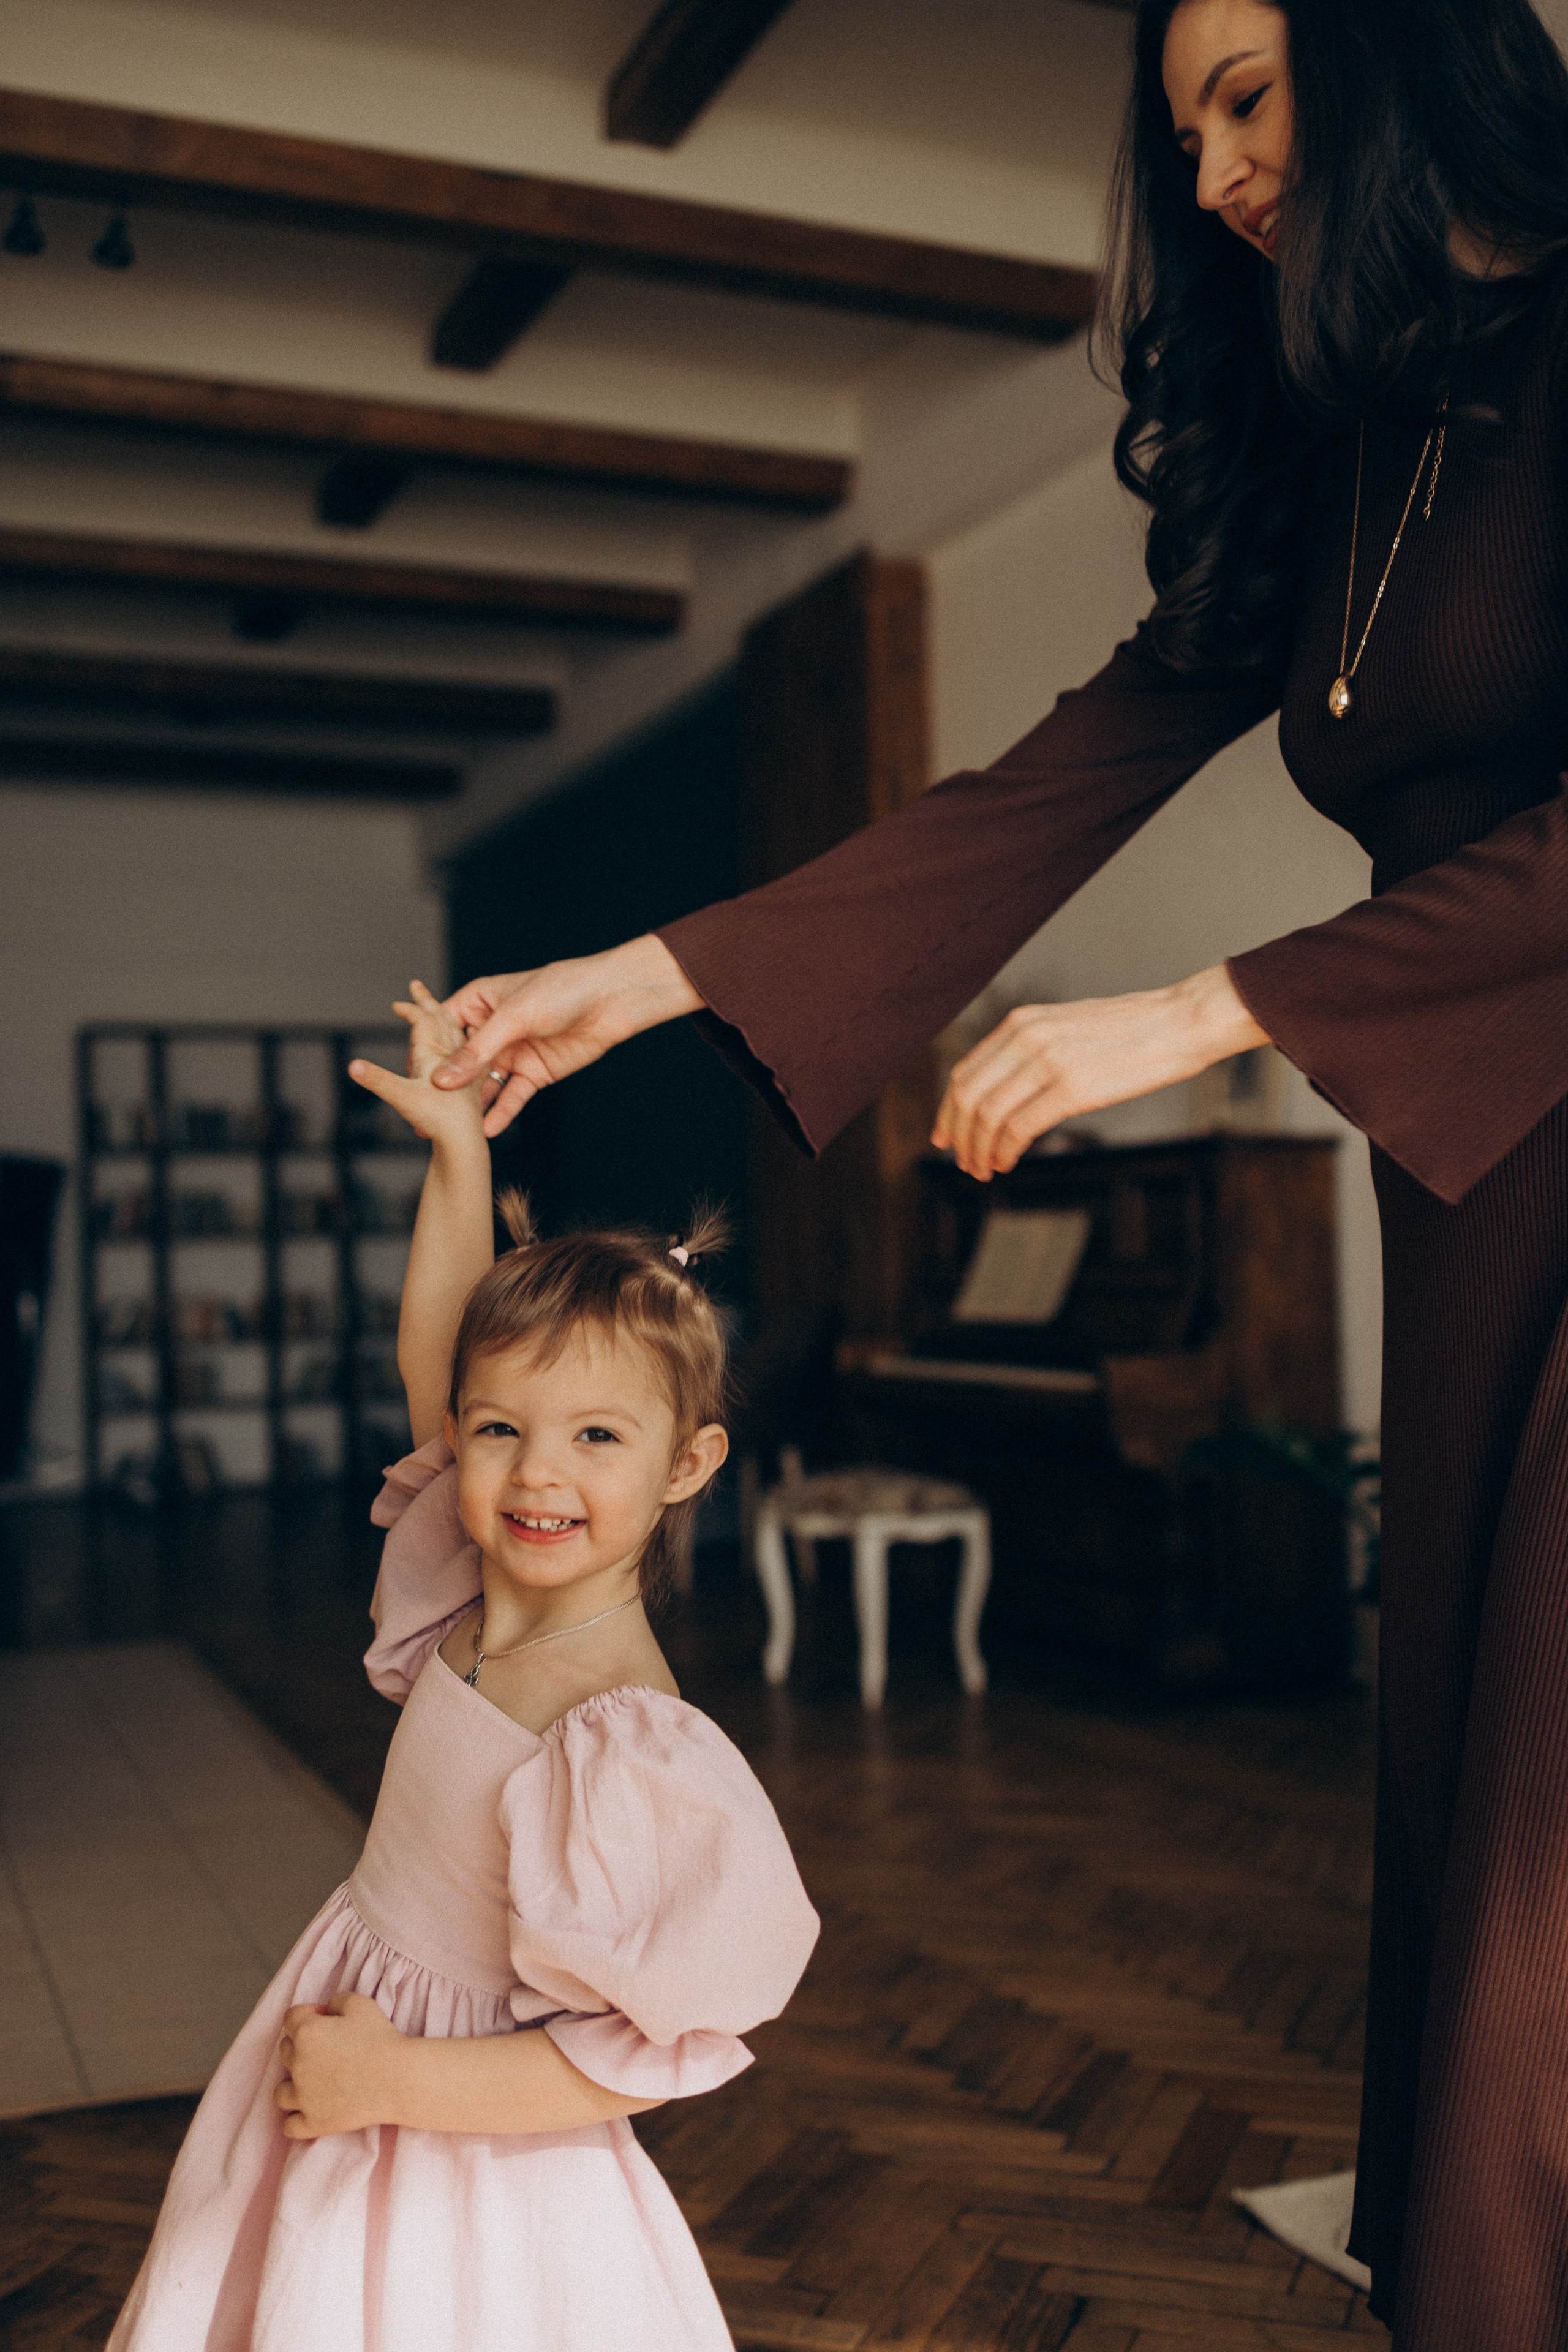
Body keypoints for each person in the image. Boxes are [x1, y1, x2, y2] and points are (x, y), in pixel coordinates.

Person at [423, 2, 1568, 2342]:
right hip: (1471, 1180)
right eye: (1188, 134)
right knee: (1466, 1819)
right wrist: (650, 973)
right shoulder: (1334, 440)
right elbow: (1070, 770)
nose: (1223, 169)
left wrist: (1209, 1009)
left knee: (1553, 1867)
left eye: (1254, 93)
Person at [108, 982, 820, 2352]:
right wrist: (458, 1152)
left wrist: (397, 2083)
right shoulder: (480, 1600)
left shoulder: (625, 1739)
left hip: (455, 2124)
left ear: (688, 1467)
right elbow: (443, 1357)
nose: (533, 1472)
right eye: (500, 1430)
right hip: (359, 2017)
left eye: (597, 1440)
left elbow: (634, 2062)